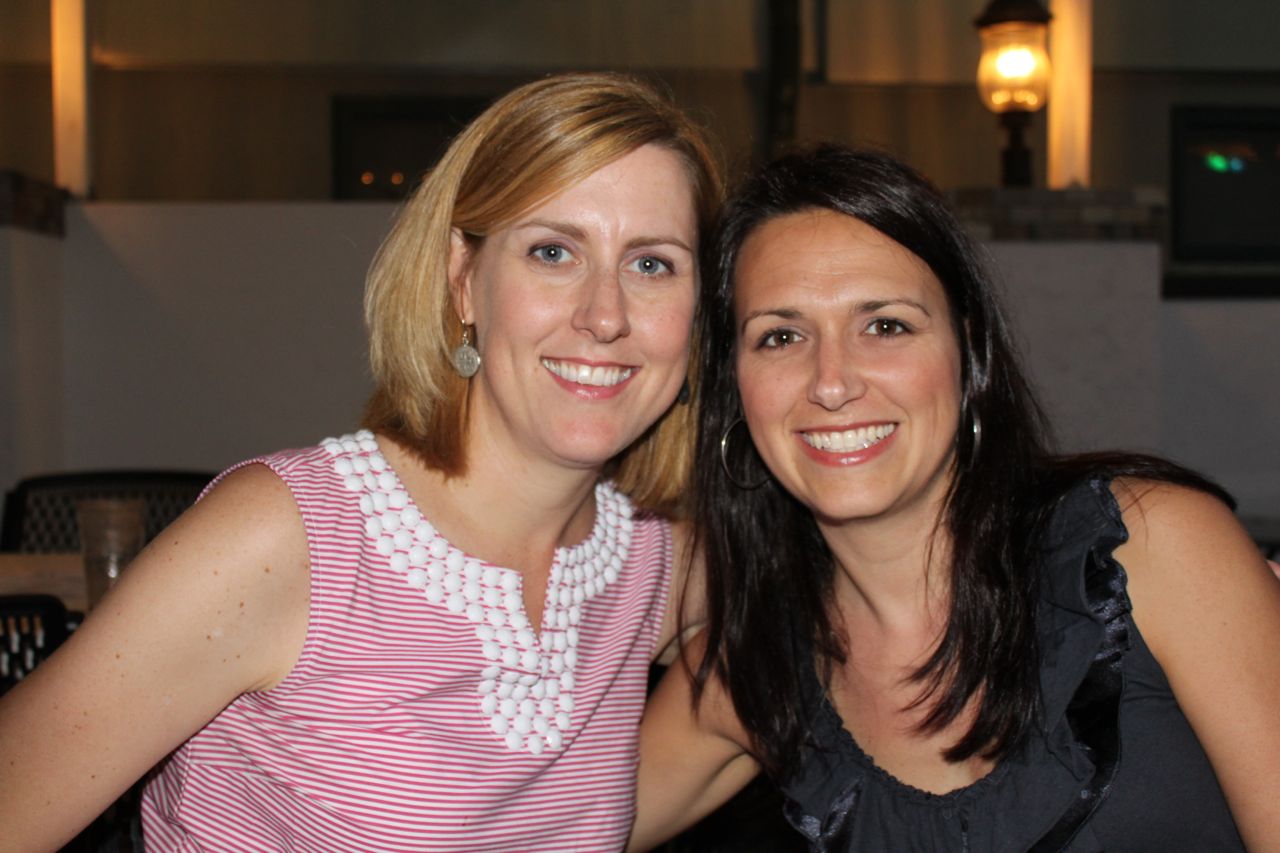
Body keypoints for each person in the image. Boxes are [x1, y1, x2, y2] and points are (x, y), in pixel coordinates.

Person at [0, 72, 722, 851]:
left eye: (653, 264)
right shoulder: (285, 540)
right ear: (463, 280)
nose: (605, 315)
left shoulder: (656, 562)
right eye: (553, 251)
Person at [630, 145, 1280, 851]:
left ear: (969, 353)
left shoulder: (1149, 550)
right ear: (735, 385)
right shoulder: (755, 671)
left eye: (885, 326)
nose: (831, 382)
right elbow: (555, 821)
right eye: (780, 336)